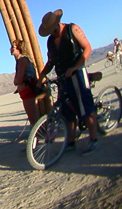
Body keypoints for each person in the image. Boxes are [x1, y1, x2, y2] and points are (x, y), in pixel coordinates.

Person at [37, 9, 98, 154]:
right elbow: (51, 61)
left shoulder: (73, 29)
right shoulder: (50, 41)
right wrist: (41, 76)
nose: (53, 32)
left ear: (58, 23)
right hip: (63, 77)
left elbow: (87, 49)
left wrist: (75, 67)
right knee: (66, 111)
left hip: (77, 74)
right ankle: (71, 142)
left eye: (53, 29)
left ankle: (93, 138)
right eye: (50, 31)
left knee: (85, 105)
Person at [10, 39, 39, 126]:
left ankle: (39, 135)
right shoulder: (20, 60)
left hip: (28, 92)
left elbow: (18, 80)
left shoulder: (22, 60)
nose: (10, 49)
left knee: (33, 118)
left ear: (19, 48)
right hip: (25, 92)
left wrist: (17, 81)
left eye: (13, 47)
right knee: (32, 117)